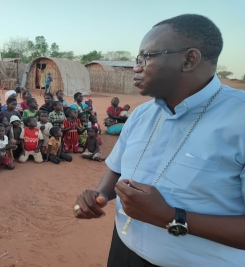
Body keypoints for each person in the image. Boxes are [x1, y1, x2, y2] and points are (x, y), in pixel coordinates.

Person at [73, 14, 245, 267]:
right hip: (123, 251)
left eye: (146, 57)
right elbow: (117, 169)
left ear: (189, 60)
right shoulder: (142, 114)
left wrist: (171, 217)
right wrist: (99, 195)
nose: (136, 67)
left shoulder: (238, 120)